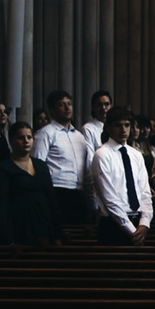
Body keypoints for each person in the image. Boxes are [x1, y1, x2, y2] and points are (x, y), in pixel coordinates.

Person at [0, 121, 64, 246]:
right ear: (11, 140)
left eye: (29, 137)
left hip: (44, 228)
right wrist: (7, 238)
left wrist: (58, 233)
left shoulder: (41, 166)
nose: (26, 141)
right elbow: (1, 206)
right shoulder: (4, 168)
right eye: (21, 137)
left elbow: (52, 200)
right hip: (19, 228)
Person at [90, 109, 154, 246]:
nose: (123, 130)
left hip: (138, 222)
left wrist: (145, 223)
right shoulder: (102, 155)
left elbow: (145, 192)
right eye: (118, 125)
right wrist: (131, 230)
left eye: (127, 125)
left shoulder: (136, 155)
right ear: (108, 127)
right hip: (113, 224)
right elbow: (109, 198)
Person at [32, 90, 94, 224]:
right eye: (61, 105)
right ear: (52, 110)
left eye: (69, 104)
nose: (67, 108)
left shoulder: (79, 137)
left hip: (79, 193)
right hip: (56, 191)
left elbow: (86, 169)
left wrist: (90, 197)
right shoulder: (45, 133)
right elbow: (37, 165)